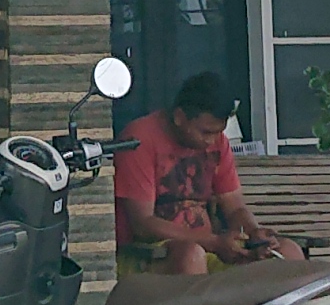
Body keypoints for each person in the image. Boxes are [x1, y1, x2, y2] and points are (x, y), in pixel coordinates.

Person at [112, 72, 302, 276]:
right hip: (147, 254)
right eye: (205, 132)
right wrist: (214, 242)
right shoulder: (139, 139)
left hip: (209, 249)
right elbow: (143, 224)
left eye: (219, 132)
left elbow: (234, 207)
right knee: (191, 256)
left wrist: (254, 234)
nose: (212, 140)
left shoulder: (218, 143)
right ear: (179, 117)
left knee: (289, 252)